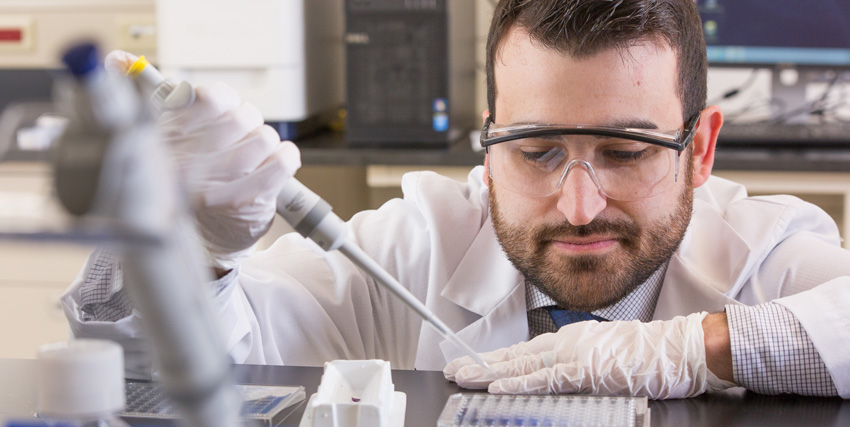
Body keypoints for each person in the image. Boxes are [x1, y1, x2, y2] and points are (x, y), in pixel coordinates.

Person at [62, 0, 849, 399]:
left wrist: (688, 349)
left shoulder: (760, 254)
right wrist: (188, 249)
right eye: (537, 150)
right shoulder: (407, 249)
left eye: (625, 151)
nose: (579, 205)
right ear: (488, 138)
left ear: (700, 149)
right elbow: (148, 382)